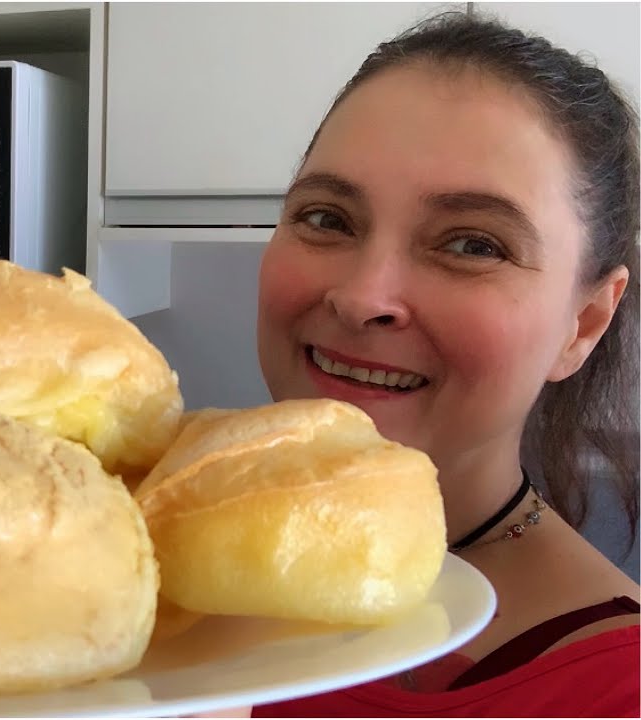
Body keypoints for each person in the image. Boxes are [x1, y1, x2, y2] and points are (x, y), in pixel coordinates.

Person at [247, 10, 639, 717]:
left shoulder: (615, 689)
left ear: (583, 324)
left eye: (474, 245)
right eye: (328, 218)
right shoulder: (137, 553)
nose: (363, 297)